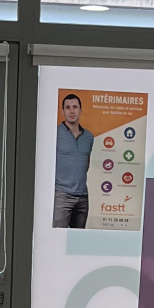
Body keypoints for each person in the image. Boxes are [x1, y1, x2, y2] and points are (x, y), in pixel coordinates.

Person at [53, 91, 94, 227]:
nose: (71, 111)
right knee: (58, 237)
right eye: (68, 107)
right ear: (63, 111)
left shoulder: (89, 137)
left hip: (83, 197)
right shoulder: (55, 133)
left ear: (80, 110)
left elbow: (86, 162)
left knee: (79, 239)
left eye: (75, 107)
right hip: (61, 196)